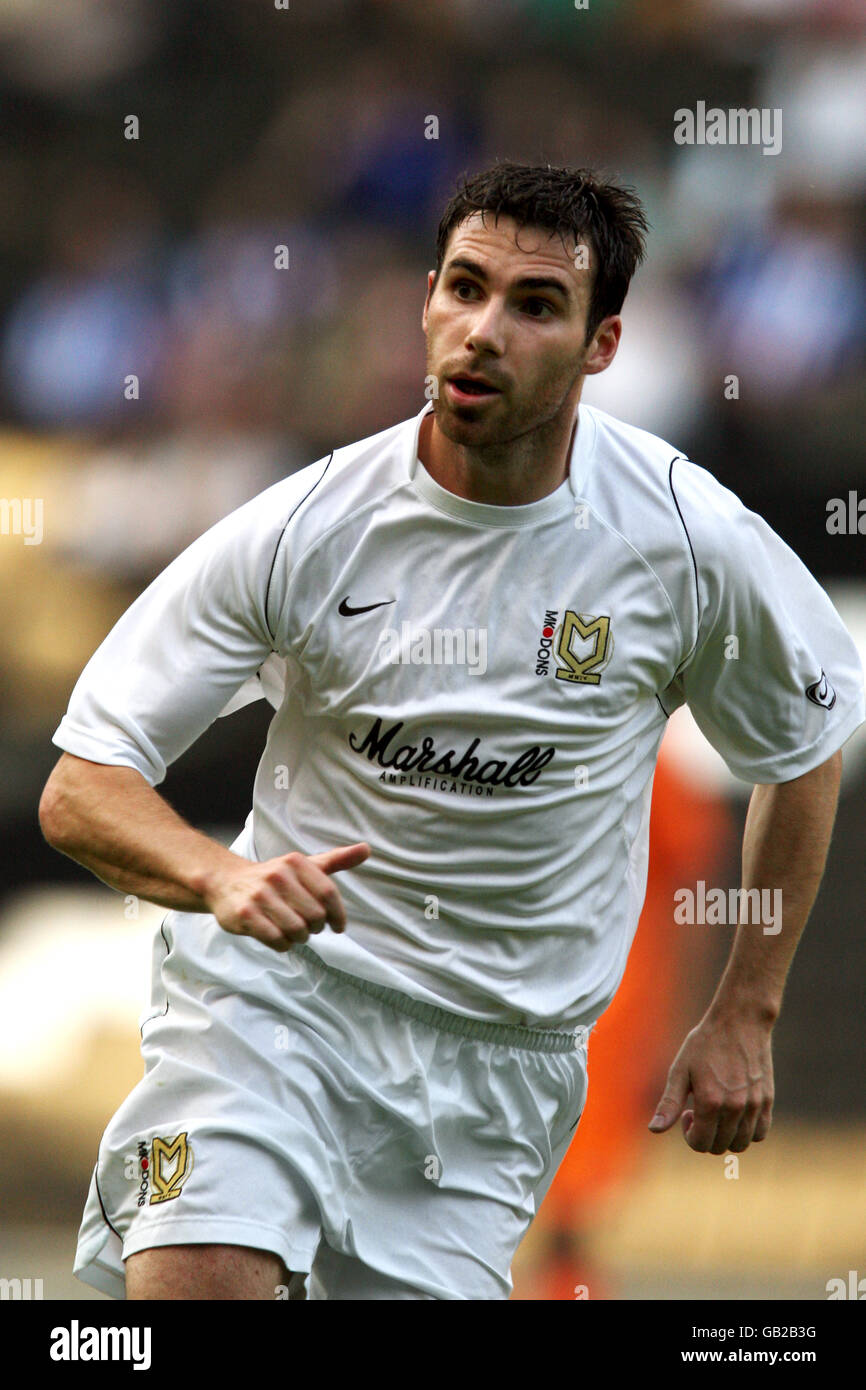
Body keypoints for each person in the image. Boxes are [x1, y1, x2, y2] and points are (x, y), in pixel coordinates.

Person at [39, 161, 864, 1301]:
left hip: (493, 1074)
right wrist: (219, 877)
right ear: (426, 299)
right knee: (198, 1271)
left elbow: (800, 745)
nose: (483, 331)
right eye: (464, 290)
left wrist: (744, 1010)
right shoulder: (307, 526)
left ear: (599, 345)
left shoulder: (687, 540)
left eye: (532, 306)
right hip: (275, 1006)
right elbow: (82, 784)